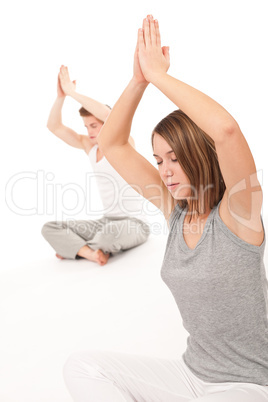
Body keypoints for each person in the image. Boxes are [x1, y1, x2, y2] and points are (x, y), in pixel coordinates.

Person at [62, 15, 268, 402]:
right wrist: (138, 81)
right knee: (82, 366)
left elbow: (225, 131)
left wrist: (159, 77)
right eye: (159, 161)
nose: (165, 171)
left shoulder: (240, 213)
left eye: (174, 158)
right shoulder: (173, 211)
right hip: (190, 375)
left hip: (246, 385)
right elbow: (114, 142)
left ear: (198, 155)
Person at [41, 66, 150, 266]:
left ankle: (76, 248)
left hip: (134, 224)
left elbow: (110, 115)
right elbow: (54, 126)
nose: (89, 132)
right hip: (105, 221)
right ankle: (91, 253)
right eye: (86, 127)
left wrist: (73, 92)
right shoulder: (88, 147)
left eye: (94, 126)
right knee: (50, 228)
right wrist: (61, 97)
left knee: (107, 235)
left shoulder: (122, 144)